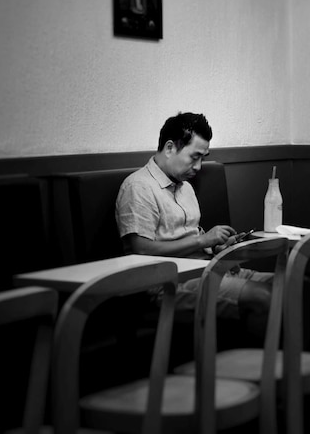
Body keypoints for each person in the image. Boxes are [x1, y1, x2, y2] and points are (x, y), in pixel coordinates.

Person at [115, 112, 271, 333]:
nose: (198, 167)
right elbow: (140, 250)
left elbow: (194, 237)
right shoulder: (138, 187)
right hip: (169, 284)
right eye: (194, 157)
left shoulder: (185, 186)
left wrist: (218, 246)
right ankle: (260, 366)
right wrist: (202, 241)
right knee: (262, 296)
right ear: (170, 148)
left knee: (297, 286)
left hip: (207, 268)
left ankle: (293, 363)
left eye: (203, 158)